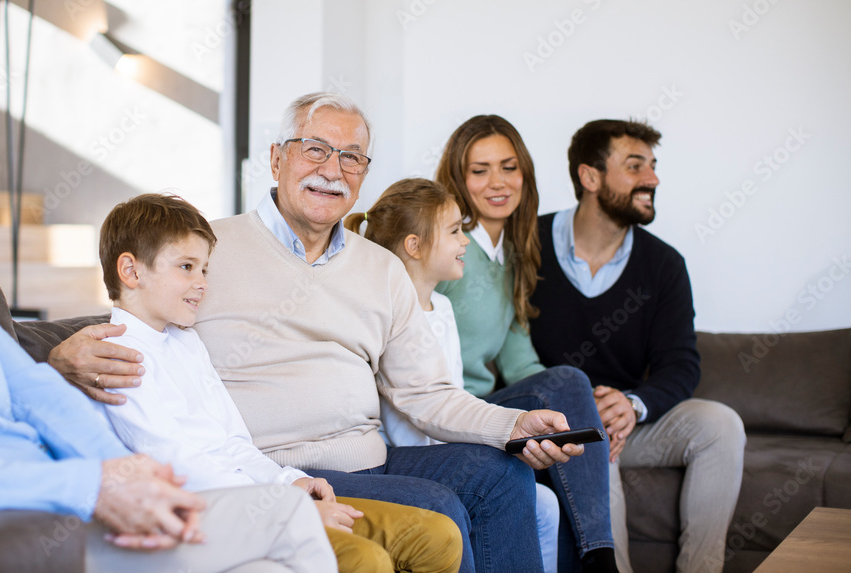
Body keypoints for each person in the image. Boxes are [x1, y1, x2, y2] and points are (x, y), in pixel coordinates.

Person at [50, 92, 588, 573]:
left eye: (352, 157)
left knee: (503, 475)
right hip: (269, 465)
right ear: (277, 158)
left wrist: (514, 423)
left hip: (365, 457)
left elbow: (427, 395)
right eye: (315, 150)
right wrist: (64, 355)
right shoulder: (209, 248)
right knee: (436, 506)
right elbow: (141, 306)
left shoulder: (382, 270)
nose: (333, 169)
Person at [0, 66, 336, 573]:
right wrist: (90, 487)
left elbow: (31, 388)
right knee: (284, 519)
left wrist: (122, 474)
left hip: (66, 499)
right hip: (16, 525)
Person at [94, 192, 463, 573]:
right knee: (364, 558)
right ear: (131, 271)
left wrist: (290, 481)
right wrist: (283, 508)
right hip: (216, 511)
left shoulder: (185, 341)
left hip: (261, 496)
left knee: (436, 535)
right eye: (186, 267)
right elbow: (175, 464)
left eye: (204, 269)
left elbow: (234, 442)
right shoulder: (114, 355)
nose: (202, 283)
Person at [528, 119, 746, 573]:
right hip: (561, 424)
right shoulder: (528, 245)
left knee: (720, 424)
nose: (653, 179)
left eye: (652, 165)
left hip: (630, 423)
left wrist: (632, 404)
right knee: (593, 441)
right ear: (590, 177)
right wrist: (582, 412)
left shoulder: (664, 264)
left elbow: (681, 364)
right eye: (635, 166)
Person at [345, 177, 561, 573]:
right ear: (414, 246)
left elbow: (453, 397)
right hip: (409, 457)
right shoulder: (384, 311)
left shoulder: (443, 309)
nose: (465, 241)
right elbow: (412, 414)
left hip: (446, 447)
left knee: (545, 504)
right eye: (455, 231)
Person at [434, 115, 618, 572]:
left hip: (483, 406)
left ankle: (596, 558)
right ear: (459, 179)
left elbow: (520, 362)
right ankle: (602, 561)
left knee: (570, 398)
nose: (497, 182)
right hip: (445, 412)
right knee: (567, 385)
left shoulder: (512, 251)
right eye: (479, 171)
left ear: (524, 174)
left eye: (508, 167)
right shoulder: (448, 247)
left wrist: (577, 406)